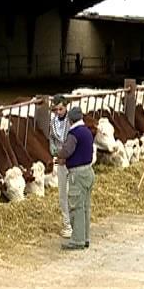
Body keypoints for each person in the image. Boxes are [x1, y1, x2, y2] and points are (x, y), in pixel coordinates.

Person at [56, 106, 95, 250]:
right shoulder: (87, 132)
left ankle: (77, 240)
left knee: (76, 207)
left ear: (70, 120)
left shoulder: (74, 133)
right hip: (89, 171)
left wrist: (57, 154)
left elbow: (67, 151)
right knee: (85, 207)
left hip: (77, 174)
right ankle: (85, 237)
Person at [49, 94, 72, 238]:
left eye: (61, 109)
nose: (58, 112)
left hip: (72, 160)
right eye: (56, 110)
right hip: (60, 159)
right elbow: (51, 137)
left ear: (66, 107)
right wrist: (53, 149)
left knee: (74, 191)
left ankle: (76, 222)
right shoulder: (52, 122)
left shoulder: (71, 122)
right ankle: (67, 223)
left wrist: (66, 154)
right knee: (63, 192)